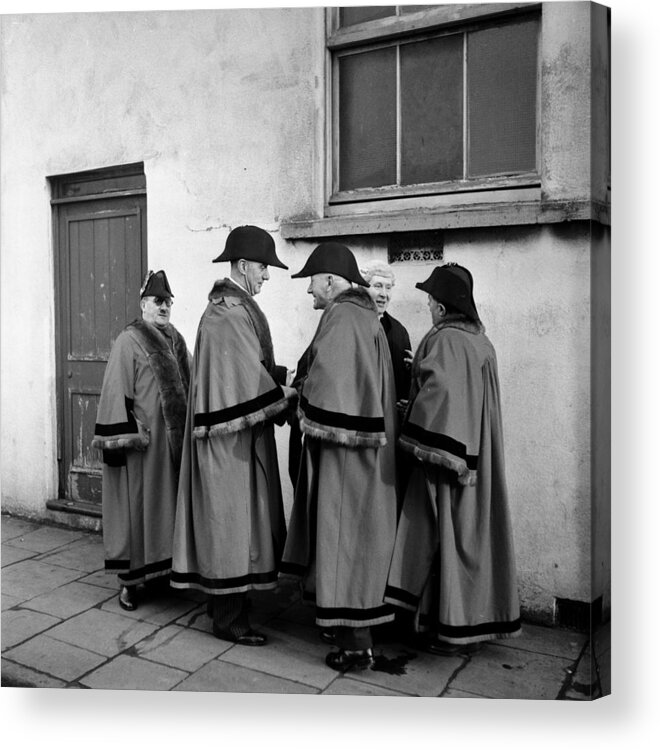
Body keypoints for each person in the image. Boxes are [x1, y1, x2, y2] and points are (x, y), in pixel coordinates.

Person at [384, 264, 521, 654]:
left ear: (442, 308)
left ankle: (443, 628)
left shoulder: (446, 340)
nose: (428, 308)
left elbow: (442, 394)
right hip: (477, 456)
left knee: (440, 537)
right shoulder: (481, 342)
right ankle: (464, 623)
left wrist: (409, 427)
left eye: (429, 301)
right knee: (469, 538)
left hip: (447, 464)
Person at [171, 225, 295, 647]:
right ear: (243, 267)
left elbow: (244, 367)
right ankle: (229, 619)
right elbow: (240, 379)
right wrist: (285, 392)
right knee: (230, 526)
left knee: (237, 525)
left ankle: (226, 607)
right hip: (226, 446)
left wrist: (278, 378)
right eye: (263, 268)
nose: (266, 276)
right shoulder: (227, 312)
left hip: (234, 438)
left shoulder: (231, 310)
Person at [280, 242, 398, 673]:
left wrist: (296, 396)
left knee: (346, 543)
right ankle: (349, 634)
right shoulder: (362, 315)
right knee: (354, 544)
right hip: (360, 458)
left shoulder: (344, 316)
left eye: (311, 281)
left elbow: (329, 385)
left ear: (330, 280)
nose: (308, 290)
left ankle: (355, 647)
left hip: (348, 461)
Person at [92, 270, 190, 611]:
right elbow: (116, 390)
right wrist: (128, 436)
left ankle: (162, 572)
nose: (164, 307)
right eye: (158, 301)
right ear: (143, 304)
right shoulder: (128, 341)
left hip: (173, 448)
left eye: (168, 302)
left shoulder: (177, 340)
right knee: (138, 511)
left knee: (167, 511)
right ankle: (130, 583)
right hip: (144, 447)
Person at [360, 260, 412, 403]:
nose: (384, 294)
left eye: (388, 288)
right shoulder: (352, 325)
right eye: (378, 286)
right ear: (362, 288)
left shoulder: (399, 332)